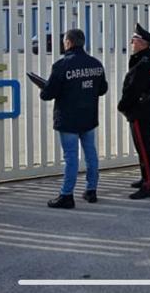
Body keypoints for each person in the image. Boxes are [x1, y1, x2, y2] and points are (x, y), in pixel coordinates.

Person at [39, 29, 108, 209]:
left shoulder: (61, 65)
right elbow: (102, 89)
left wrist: (44, 88)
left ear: (68, 43)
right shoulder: (96, 64)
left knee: (71, 157)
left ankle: (67, 195)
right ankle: (91, 190)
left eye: (64, 42)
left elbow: (48, 94)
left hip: (68, 119)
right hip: (88, 117)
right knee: (91, 154)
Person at [120, 23, 150, 199]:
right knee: (142, 146)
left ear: (143, 43)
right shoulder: (146, 58)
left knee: (144, 148)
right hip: (145, 106)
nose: (131, 42)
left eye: (134, 40)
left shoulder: (143, 63)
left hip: (139, 109)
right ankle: (145, 177)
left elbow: (134, 89)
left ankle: (149, 186)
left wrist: (122, 106)